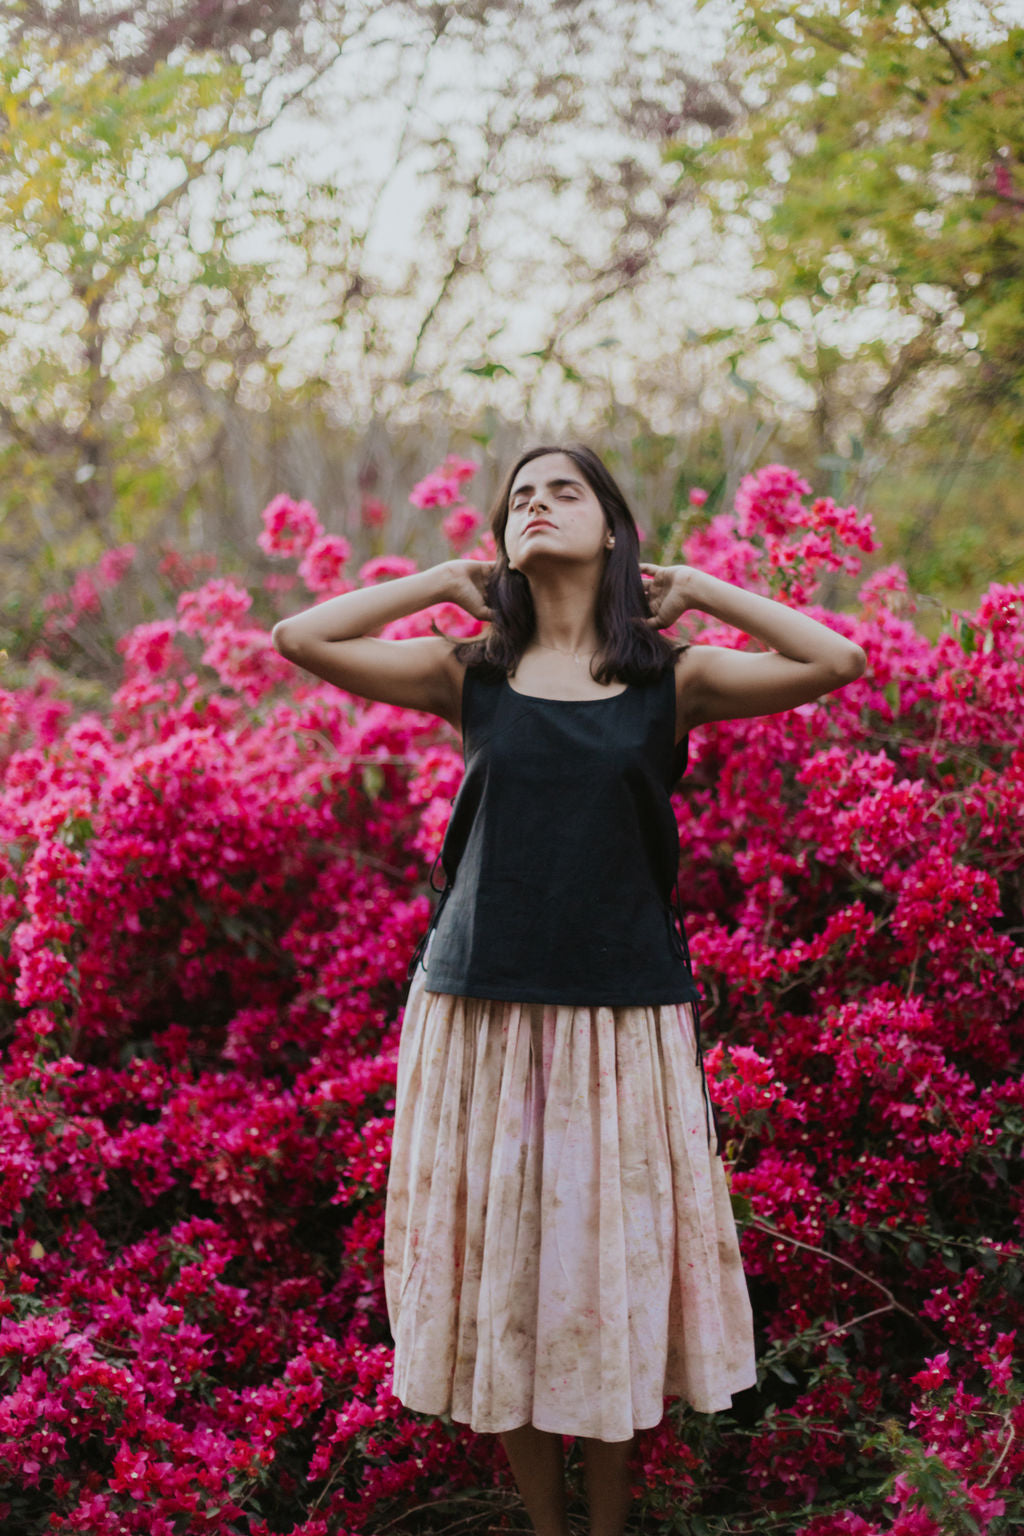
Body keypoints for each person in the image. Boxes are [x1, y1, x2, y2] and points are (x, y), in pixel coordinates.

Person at [271, 444, 867, 1536]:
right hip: (479, 1009)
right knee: (512, 1274)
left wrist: (702, 591)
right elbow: (300, 638)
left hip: (619, 1013)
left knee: (600, 1276)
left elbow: (837, 659)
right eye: (520, 499)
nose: (537, 506)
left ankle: (607, 1526)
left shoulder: (671, 678)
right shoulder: (469, 671)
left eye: (564, 491)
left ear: (611, 528)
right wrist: (441, 586)